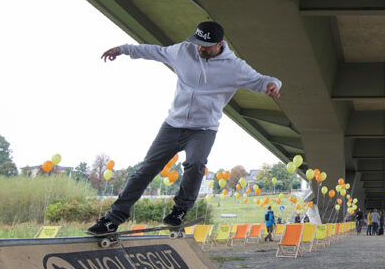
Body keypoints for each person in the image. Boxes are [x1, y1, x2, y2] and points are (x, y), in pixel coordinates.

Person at [87, 21, 282, 240]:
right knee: (145, 170)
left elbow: (260, 80)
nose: (200, 49)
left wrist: (273, 85)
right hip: (172, 125)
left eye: (206, 46)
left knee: (196, 164)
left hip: (204, 129)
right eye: (198, 43)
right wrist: (123, 49)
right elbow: (155, 51)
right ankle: (112, 219)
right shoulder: (182, 51)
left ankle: (179, 210)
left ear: (219, 44)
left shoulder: (235, 67)